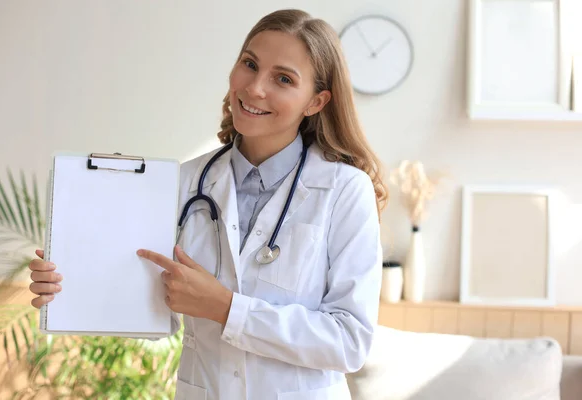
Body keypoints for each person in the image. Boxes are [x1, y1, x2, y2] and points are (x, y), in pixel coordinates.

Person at [28, 8, 388, 400]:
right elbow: (146, 306)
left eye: (283, 79)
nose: (254, 88)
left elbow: (350, 341)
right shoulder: (183, 182)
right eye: (249, 64)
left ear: (316, 102)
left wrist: (227, 309)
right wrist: (70, 282)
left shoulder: (344, 191)